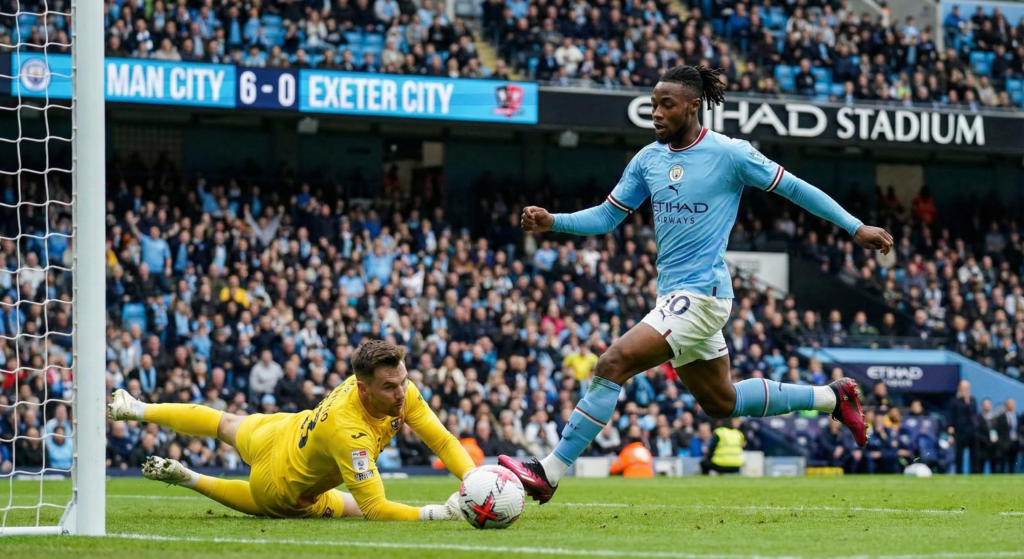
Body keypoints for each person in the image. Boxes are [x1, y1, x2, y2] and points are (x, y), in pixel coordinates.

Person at [500, 65, 893, 504]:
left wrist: (854, 226)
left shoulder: (731, 154)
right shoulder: (648, 159)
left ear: (693, 105)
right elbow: (607, 216)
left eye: (666, 104)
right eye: (652, 105)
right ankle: (831, 397)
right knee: (720, 402)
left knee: (612, 363)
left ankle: (548, 472)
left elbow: (797, 189)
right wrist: (555, 222)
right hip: (673, 295)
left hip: (702, 295)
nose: (656, 113)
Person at [109, 340, 474, 521]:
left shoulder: (398, 387)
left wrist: (473, 477)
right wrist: (438, 513)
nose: (402, 393)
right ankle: (191, 478)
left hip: (281, 428)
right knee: (356, 510)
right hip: (280, 485)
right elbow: (376, 507)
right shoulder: (350, 432)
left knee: (224, 422)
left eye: (403, 381)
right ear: (363, 388)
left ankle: (137, 408)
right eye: (390, 387)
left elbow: (441, 439)